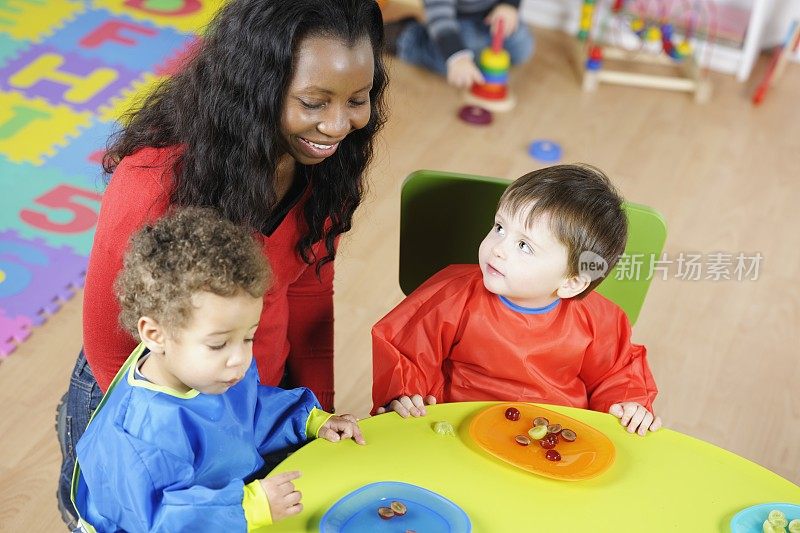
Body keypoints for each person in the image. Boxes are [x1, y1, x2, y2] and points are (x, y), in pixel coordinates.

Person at [57, 0, 388, 527]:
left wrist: (311, 417)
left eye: (358, 99)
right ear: (256, 86)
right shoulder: (153, 182)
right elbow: (112, 343)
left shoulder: (326, 165)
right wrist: (206, 433)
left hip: (244, 403)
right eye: (313, 101)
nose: (338, 125)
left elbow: (308, 294)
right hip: (155, 406)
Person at [71, 207, 366, 531]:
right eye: (218, 344)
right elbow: (164, 520)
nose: (239, 357)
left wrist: (309, 420)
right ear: (156, 335)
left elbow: (251, 412)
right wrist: (249, 505)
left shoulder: (215, 370)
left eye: (248, 337)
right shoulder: (143, 433)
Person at [371, 164, 662, 436]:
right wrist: (407, 396)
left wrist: (628, 405)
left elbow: (619, 373)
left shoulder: (599, 320)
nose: (497, 249)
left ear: (571, 282)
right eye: (499, 228)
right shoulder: (452, 295)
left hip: (553, 434)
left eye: (524, 246)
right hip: (460, 426)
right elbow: (406, 351)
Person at [389, 0, 534, 88]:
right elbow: (440, 17)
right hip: (453, 24)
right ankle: (407, 37)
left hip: (493, 18)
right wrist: (457, 57)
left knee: (522, 48)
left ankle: (474, 58)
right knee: (450, 65)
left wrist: (509, 5)